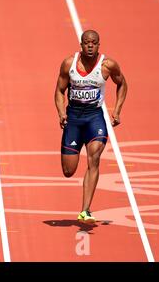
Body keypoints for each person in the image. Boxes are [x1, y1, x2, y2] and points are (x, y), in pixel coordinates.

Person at [54, 30, 127, 223]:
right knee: (68, 171)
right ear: (81, 44)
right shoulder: (69, 64)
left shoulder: (107, 65)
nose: (90, 46)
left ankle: (85, 210)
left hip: (94, 118)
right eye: (86, 42)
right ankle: (84, 206)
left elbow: (122, 84)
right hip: (74, 119)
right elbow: (59, 90)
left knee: (94, 157)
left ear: (98, 45)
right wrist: (61, 112)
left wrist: (117, 110)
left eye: (93, 43)